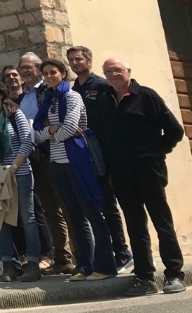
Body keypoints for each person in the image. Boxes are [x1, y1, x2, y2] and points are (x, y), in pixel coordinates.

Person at [99, 58, 186, 296]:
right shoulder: (105, 100)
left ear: (128, 71)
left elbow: (175, 130)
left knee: (162, 222)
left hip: (149, 169)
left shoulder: (146, 96)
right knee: (135, 226)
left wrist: (156, 153)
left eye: (118, 70)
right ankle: (145, 277)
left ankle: (174, 274)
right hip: (121, 173)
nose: (113, 74)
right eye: (108, 71)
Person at [33, 58, 117, 281]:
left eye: (53, 72)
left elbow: (71, 127)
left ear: (63, 73)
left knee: (92, 212)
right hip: (57, 163)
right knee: (74, 215)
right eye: (45, 73)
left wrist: (53, 134)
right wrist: (53, 130)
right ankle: (84, 265)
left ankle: (106, 265)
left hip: (77, 161)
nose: (49, 76)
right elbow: (37, 133)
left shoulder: (72, 97)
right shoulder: (48, 101)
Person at [65, 45, 133, 273]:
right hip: (84, 155)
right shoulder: (74, 89)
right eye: (71, 60)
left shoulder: (102, 85)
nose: (75, 63)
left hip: (103, 153)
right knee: (96, 205)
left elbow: (111, 119)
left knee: (109, 204)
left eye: (78, 59)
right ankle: (107, 254)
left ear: (89, 61)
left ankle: (123, 253)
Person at [0, 77, 41, 282]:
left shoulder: (15, 114)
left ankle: (33, 263)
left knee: (27, 217)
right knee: (0, 218)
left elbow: (27, 142)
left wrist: (13, 167)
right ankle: (8, 265)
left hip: (19, 172)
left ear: (1, 94)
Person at [18, 51, 74, 275]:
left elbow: (55, 124)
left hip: (54, 153)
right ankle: (63, 258)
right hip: (35, 157)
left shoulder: (48, 92)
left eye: (29, 66)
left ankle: (82, 257)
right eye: (22, 67)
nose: (25, 70)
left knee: (67, 206)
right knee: (50, 210)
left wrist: (44, 133)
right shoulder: (23, 97)